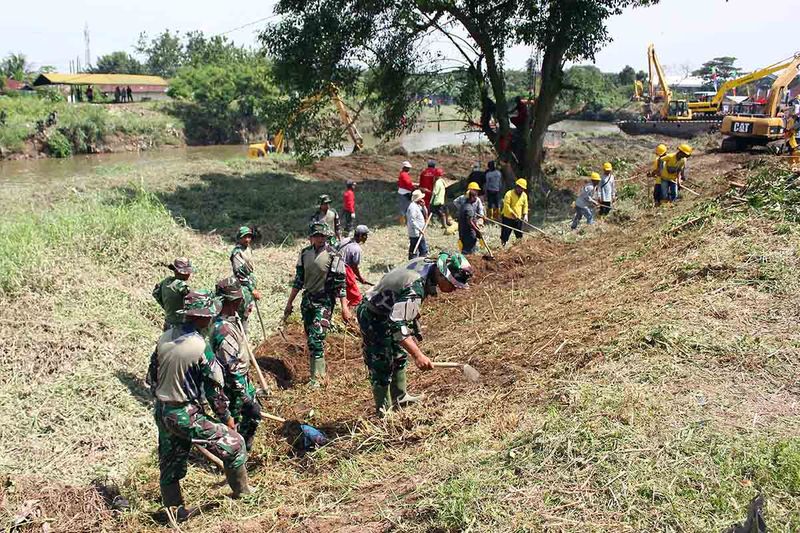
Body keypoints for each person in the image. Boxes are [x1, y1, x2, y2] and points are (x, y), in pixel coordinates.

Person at [148, 292, 250, 521]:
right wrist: (227, 420)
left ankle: (174, 511)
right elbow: (215, 391)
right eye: (209, 316)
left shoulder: (164, 338)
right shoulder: (200, 346)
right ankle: (244, 495)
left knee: (169, 462)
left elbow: (152, 376)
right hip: (185, 413)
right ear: (202, 318)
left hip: (163, 410)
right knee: (234, 445)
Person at [357, 251, 474, 416]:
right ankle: (384, 411)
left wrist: (412, 315)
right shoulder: (416, 285)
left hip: (389, 308)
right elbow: (397, 325)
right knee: (381, 361)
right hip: (374, 314)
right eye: (453, 284)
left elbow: (403, 300)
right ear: (442, 275)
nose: (454, 289)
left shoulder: (428, 264)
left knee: (398, 355)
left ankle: (400, 397)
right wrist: (418, 355)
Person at [284, 222, 350, 388]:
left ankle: (317, 380)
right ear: (311, 238)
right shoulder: (305, 253)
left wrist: (344, 308)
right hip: (308, 301)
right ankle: (317, 374)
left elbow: (340, 284)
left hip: (325, 301)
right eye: (317, 236)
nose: (320, 239)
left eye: (323, 236)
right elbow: (299, 280)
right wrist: (289, 303)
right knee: (310, 338)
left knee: (316, 338)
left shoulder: (334, 255)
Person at [211, 277, 261, 452]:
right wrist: (243, 394)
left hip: (241, 380)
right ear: (234, 301)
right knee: (239, 420)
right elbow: (231, 368)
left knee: (253, 414)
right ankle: (234, 455)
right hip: (233, 386)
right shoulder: (223, 330)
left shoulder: (231, 320)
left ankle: (243, 450)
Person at [230, 226, 262, 332]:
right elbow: (240, 274)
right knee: (242, 313)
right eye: (245, 237)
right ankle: (240, 336)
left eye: (249, 237)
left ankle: (244, 334)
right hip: (243, 288)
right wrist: (252, 289)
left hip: (250, 286)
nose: (247, 240)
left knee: (247, 312)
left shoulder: (248, 249)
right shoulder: (237, 252)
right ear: (239, 238)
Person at [152, 258, 193, 331]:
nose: (189, 274)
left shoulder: (166, 281)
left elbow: (155, 293)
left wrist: (168, 307)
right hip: (180, 325)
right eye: (187, 272)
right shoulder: (181, 285)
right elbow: (192, 303)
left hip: (168, 322)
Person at [339, 225, 371, 308]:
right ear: (361, 236)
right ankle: (347, 313)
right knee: (356, 298)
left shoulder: (345, 240)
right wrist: (360, 278)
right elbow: (354, 267)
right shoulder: (356, 249)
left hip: (335, 268)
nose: (366, 238)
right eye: (365, 235)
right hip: (345, 271)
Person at [500, 178, 528, 246]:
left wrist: (525, 215)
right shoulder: (509, 194)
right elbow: (507, 206)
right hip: (508, 218)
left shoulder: (524, 195)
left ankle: (520, 246)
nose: (521, 190)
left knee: (519, 234)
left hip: (518, 219)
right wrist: (513, 214)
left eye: (523, 189)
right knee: (505, 234)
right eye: (520, 188)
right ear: (517, 186)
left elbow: (525, 205)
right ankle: (503, 245)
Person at [458, 187, 482, 255]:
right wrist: (477, 230)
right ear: (471, 197)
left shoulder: (463, 206)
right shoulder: (469, 209)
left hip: (462, 232)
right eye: (475, 197)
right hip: (469, 234)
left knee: (465, 250)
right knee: (469, 252)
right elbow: (470, 222)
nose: (476, 198)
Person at [406, 189, 429, 259]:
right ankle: (417, 263)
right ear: (418, 199)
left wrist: (423, 206)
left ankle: (413, 262)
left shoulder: (418, 206)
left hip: (419, 232)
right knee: (422, 250)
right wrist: (419, 230)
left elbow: (426, 214)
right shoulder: (412, 207)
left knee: (414, 249)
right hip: (416, 232)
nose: (422, 199)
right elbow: (412, 220)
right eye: (421, 198)